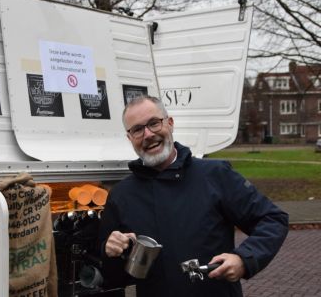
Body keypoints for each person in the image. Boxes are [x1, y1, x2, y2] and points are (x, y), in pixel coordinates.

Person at [98, 95, 289, 297]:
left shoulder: (215, 175)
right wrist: (110, 252)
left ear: (170, 123)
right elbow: (114, 278)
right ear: (130, 138)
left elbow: (273, 219)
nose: (148, 134)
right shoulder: (121, 196)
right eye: (137, 129)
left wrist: (244, 259)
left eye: (154, 123)